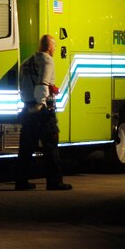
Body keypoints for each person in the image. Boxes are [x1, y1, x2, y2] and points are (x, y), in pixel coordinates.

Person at [15, 34, 72, 191]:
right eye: (54, 46)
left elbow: (24, 85)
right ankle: (55, 182)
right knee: (51, 146)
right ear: (49, 47)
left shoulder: (27, 62)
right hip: (42, 110)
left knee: (26, 147)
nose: (54, 49)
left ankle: (21, 182)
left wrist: (29, 105)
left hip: (27, 107)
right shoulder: (47, 59)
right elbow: (42, 84)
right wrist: (41, 104)